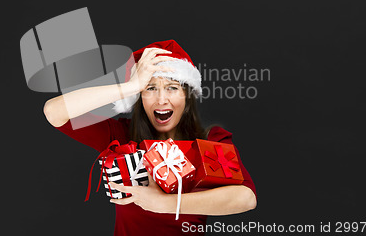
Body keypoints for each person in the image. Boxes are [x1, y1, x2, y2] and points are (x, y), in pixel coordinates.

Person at [43, 40, 257, 236]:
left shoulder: (209, 140)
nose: (161, 99)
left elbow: (245, 198)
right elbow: (55, 112)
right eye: (150, 88)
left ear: (187, 95)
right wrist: (130, 86)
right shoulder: (121, 137)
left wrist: (166, 203)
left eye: (172, 88)